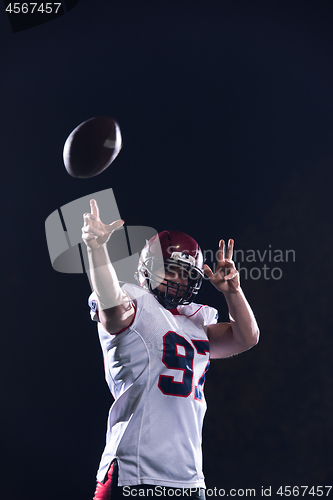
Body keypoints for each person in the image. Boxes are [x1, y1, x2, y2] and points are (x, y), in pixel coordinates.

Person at [82, 199, 260, 500]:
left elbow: (247, 337)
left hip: (188, 478)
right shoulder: (134, 305)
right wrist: (96, 250)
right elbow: (111, 304)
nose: (179, 279)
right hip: (135, 471)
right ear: (146, 270)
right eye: (171, 270)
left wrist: (234, 293)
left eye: (186, 274)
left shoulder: (196, 322)